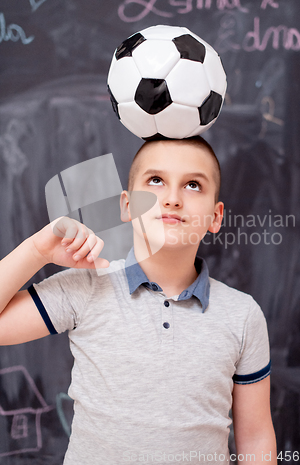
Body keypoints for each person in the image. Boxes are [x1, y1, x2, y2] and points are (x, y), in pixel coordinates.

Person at [0, 136, 277, 464]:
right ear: (127, 205)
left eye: (192, 185)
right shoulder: (88, 287)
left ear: (216, 217)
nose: (173, 198)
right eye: (156, 181)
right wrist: (38, 251)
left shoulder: (242, 315)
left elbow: (256, 437)